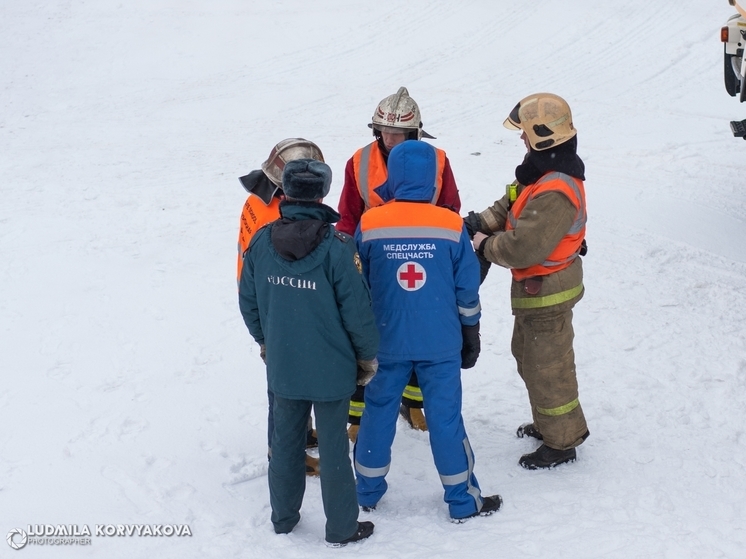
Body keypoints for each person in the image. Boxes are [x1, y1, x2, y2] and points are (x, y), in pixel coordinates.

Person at [353, 140, 502, 522]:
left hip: (386, 340)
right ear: (432, 179)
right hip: (440, 342)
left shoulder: (369, 225)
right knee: (446, 417)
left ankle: (365, 490)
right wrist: (471, 333)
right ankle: (463, 501)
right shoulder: (451, 226)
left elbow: (358, 284)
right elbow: (466, 291)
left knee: (378, 412)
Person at [239, 158, 381, 546]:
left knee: (285, 443)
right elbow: (357, 311)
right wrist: (367, 356)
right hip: (331, 367)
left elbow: (248, 301)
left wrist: (266, 342)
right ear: (322, 194)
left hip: (284, 364)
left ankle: (283, 518)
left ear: (284, 193)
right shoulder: (337, 248)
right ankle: (341, 528)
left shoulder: (262, 242)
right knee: (334, 447)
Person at [465, 93, 590, 470]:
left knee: (547, 365)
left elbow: (524, 248)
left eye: (526, 133)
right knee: (528, 356)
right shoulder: (539, 169)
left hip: (550, 288)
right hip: (536, 290)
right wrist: (476, 222)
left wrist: (484, 245)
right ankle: (549, 421)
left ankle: (562, 441)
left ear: (545, 136)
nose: (521, 139)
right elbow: (509, 203)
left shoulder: (556, 189)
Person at [337, 86, 462, 439]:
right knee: (366, 341)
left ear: (416, 132)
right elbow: (347, 218)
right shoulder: (358, 162)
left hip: (421, 263)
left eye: (399, 133)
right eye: (384, 131)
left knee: (421, 336)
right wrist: (347, 262)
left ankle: (413, 404)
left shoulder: (437, 160)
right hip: (374, 266)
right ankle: (358, 419)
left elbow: (450, 207)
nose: (390, 139)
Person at [237, 138, 326, 476]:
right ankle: (285, 452)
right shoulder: (275, 216)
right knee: (284, 381)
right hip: (276, 302)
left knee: (285, 375)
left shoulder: (255, 200)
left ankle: (300, 434)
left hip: (261, 296)